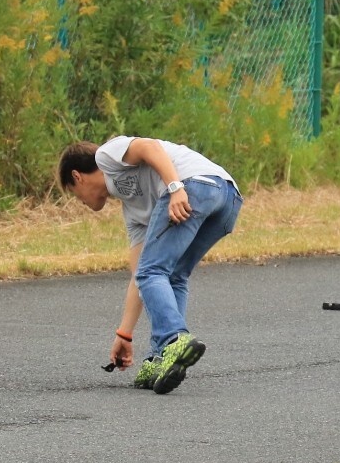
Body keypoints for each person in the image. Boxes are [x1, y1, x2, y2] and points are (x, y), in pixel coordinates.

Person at [58, 136, 243, 394]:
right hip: (227, 199)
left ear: (77, 177)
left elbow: (149, 147)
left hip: (194, 185)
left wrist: (175, 188)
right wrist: (124, 334)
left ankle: (173, 340)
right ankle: (161, 357)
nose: (81, 202)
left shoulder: (106, 156)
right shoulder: (134, 212)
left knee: (153, 271)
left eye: (75, 194)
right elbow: (139, 276)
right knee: (171, 275)